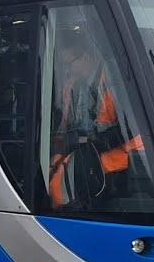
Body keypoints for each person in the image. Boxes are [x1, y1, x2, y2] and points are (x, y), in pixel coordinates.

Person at [46, 25, 144, 209]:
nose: (68, 70)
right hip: (88, 160)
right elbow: (65, 123)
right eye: (64, 65)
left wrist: (93, 140)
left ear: (86, 57)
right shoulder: (71, 85)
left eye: (70, 63)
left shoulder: (114, 81)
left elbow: (132, 124)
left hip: (120, 167)